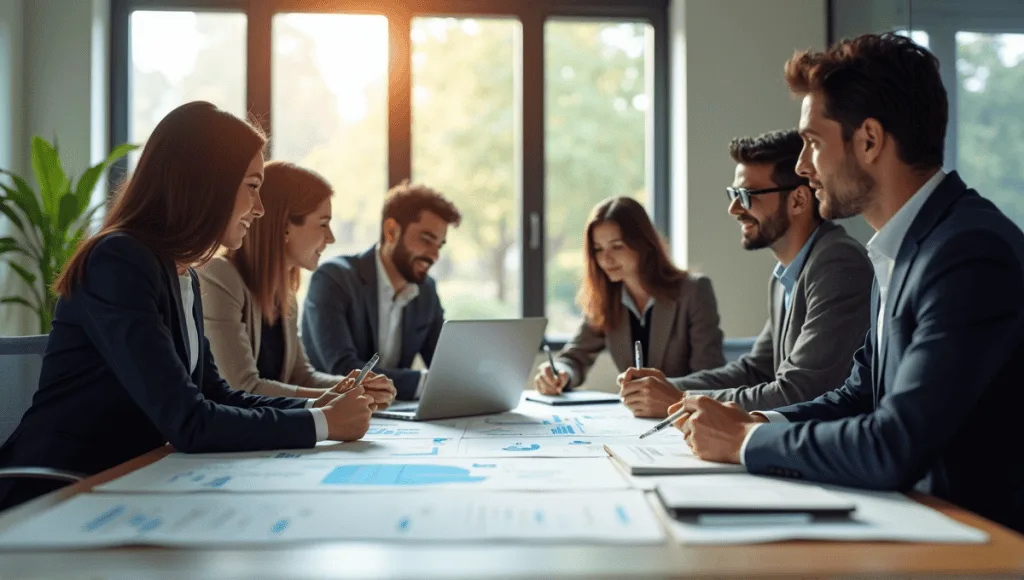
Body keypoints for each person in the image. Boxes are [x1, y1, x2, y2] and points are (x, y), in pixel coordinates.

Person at [670, 33, 1024, 533]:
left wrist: (745, 443)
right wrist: (754, 424)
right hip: (919, 523)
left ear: (870, 140)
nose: (802, 166)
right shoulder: (900, 246)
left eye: (813, 143)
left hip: (979, 541)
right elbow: (858, 394)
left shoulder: (967, 252)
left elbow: (894, 443)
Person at [0, 102, 374, 512]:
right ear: (207, 184)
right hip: (57, 493)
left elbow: (216, 394)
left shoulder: (182, 273)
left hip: (131, 482)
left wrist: (318, 406)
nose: (260, 208)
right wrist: (322, 424)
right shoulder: (119, 261)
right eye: (252, 186)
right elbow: (189, 421)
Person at [618, 130, 872, 414]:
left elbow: (799, 392)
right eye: (733, 194)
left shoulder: (837, 264)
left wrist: (678, 400)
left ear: (798, 201)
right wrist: (663, 386)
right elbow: (756, 370)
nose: (734, 208)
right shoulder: (786, 274)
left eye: (747, 195)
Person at [199, 161, 396, 408]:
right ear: (284, 226)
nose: (331, 238)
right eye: (323, 223)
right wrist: (335, 398)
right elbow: (242, 387)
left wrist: (354, 387)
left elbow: (301, 377)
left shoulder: (286, 294)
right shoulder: (219, 276)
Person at [534, 196, 725, 417]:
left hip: (687, 417)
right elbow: (575, 357)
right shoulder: (606, 298)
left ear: (643, 244)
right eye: (598, 249)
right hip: (636, 418)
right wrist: (558, 373)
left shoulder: (694, 291)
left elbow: (709, 376)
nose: (605, 259)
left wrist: (665, 394)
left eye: (617, 247)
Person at [301, 180, 462, 401]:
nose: (434, 256)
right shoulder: (333, 279)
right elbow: (343, 369)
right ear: (391, 231)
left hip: (393, 411)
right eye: (426, 240)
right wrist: (425, 383)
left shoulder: (426, 291)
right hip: (334, 410)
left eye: (439, 245)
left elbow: (445, 365)